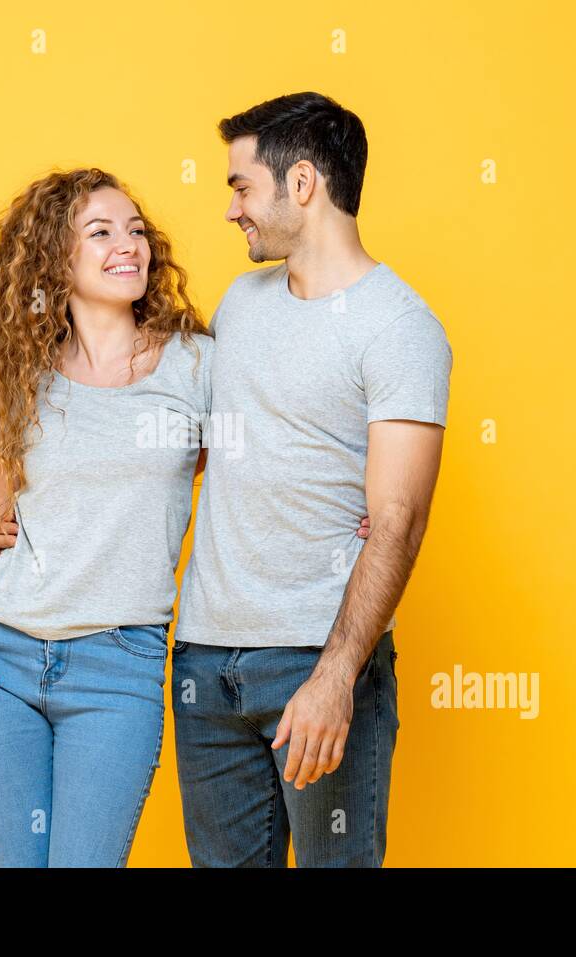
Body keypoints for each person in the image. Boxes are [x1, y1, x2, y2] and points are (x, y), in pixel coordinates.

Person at [170, 92, 454, 867]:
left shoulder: (398, 328)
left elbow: (398, 519)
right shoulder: (241, 302)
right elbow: (196, 441)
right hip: (206, 662)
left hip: (316, 661)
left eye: (240, 186)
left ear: (302, 184)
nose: (231, 210)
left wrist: (337, 677)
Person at [0, 168, 213, 867]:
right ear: (57, 258)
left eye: (137, 230)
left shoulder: (195, 365)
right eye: (102, 232)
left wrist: (354, 509)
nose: (129, 246)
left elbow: (261, 471)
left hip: (119, 667)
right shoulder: (25, 378)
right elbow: (3, 532)